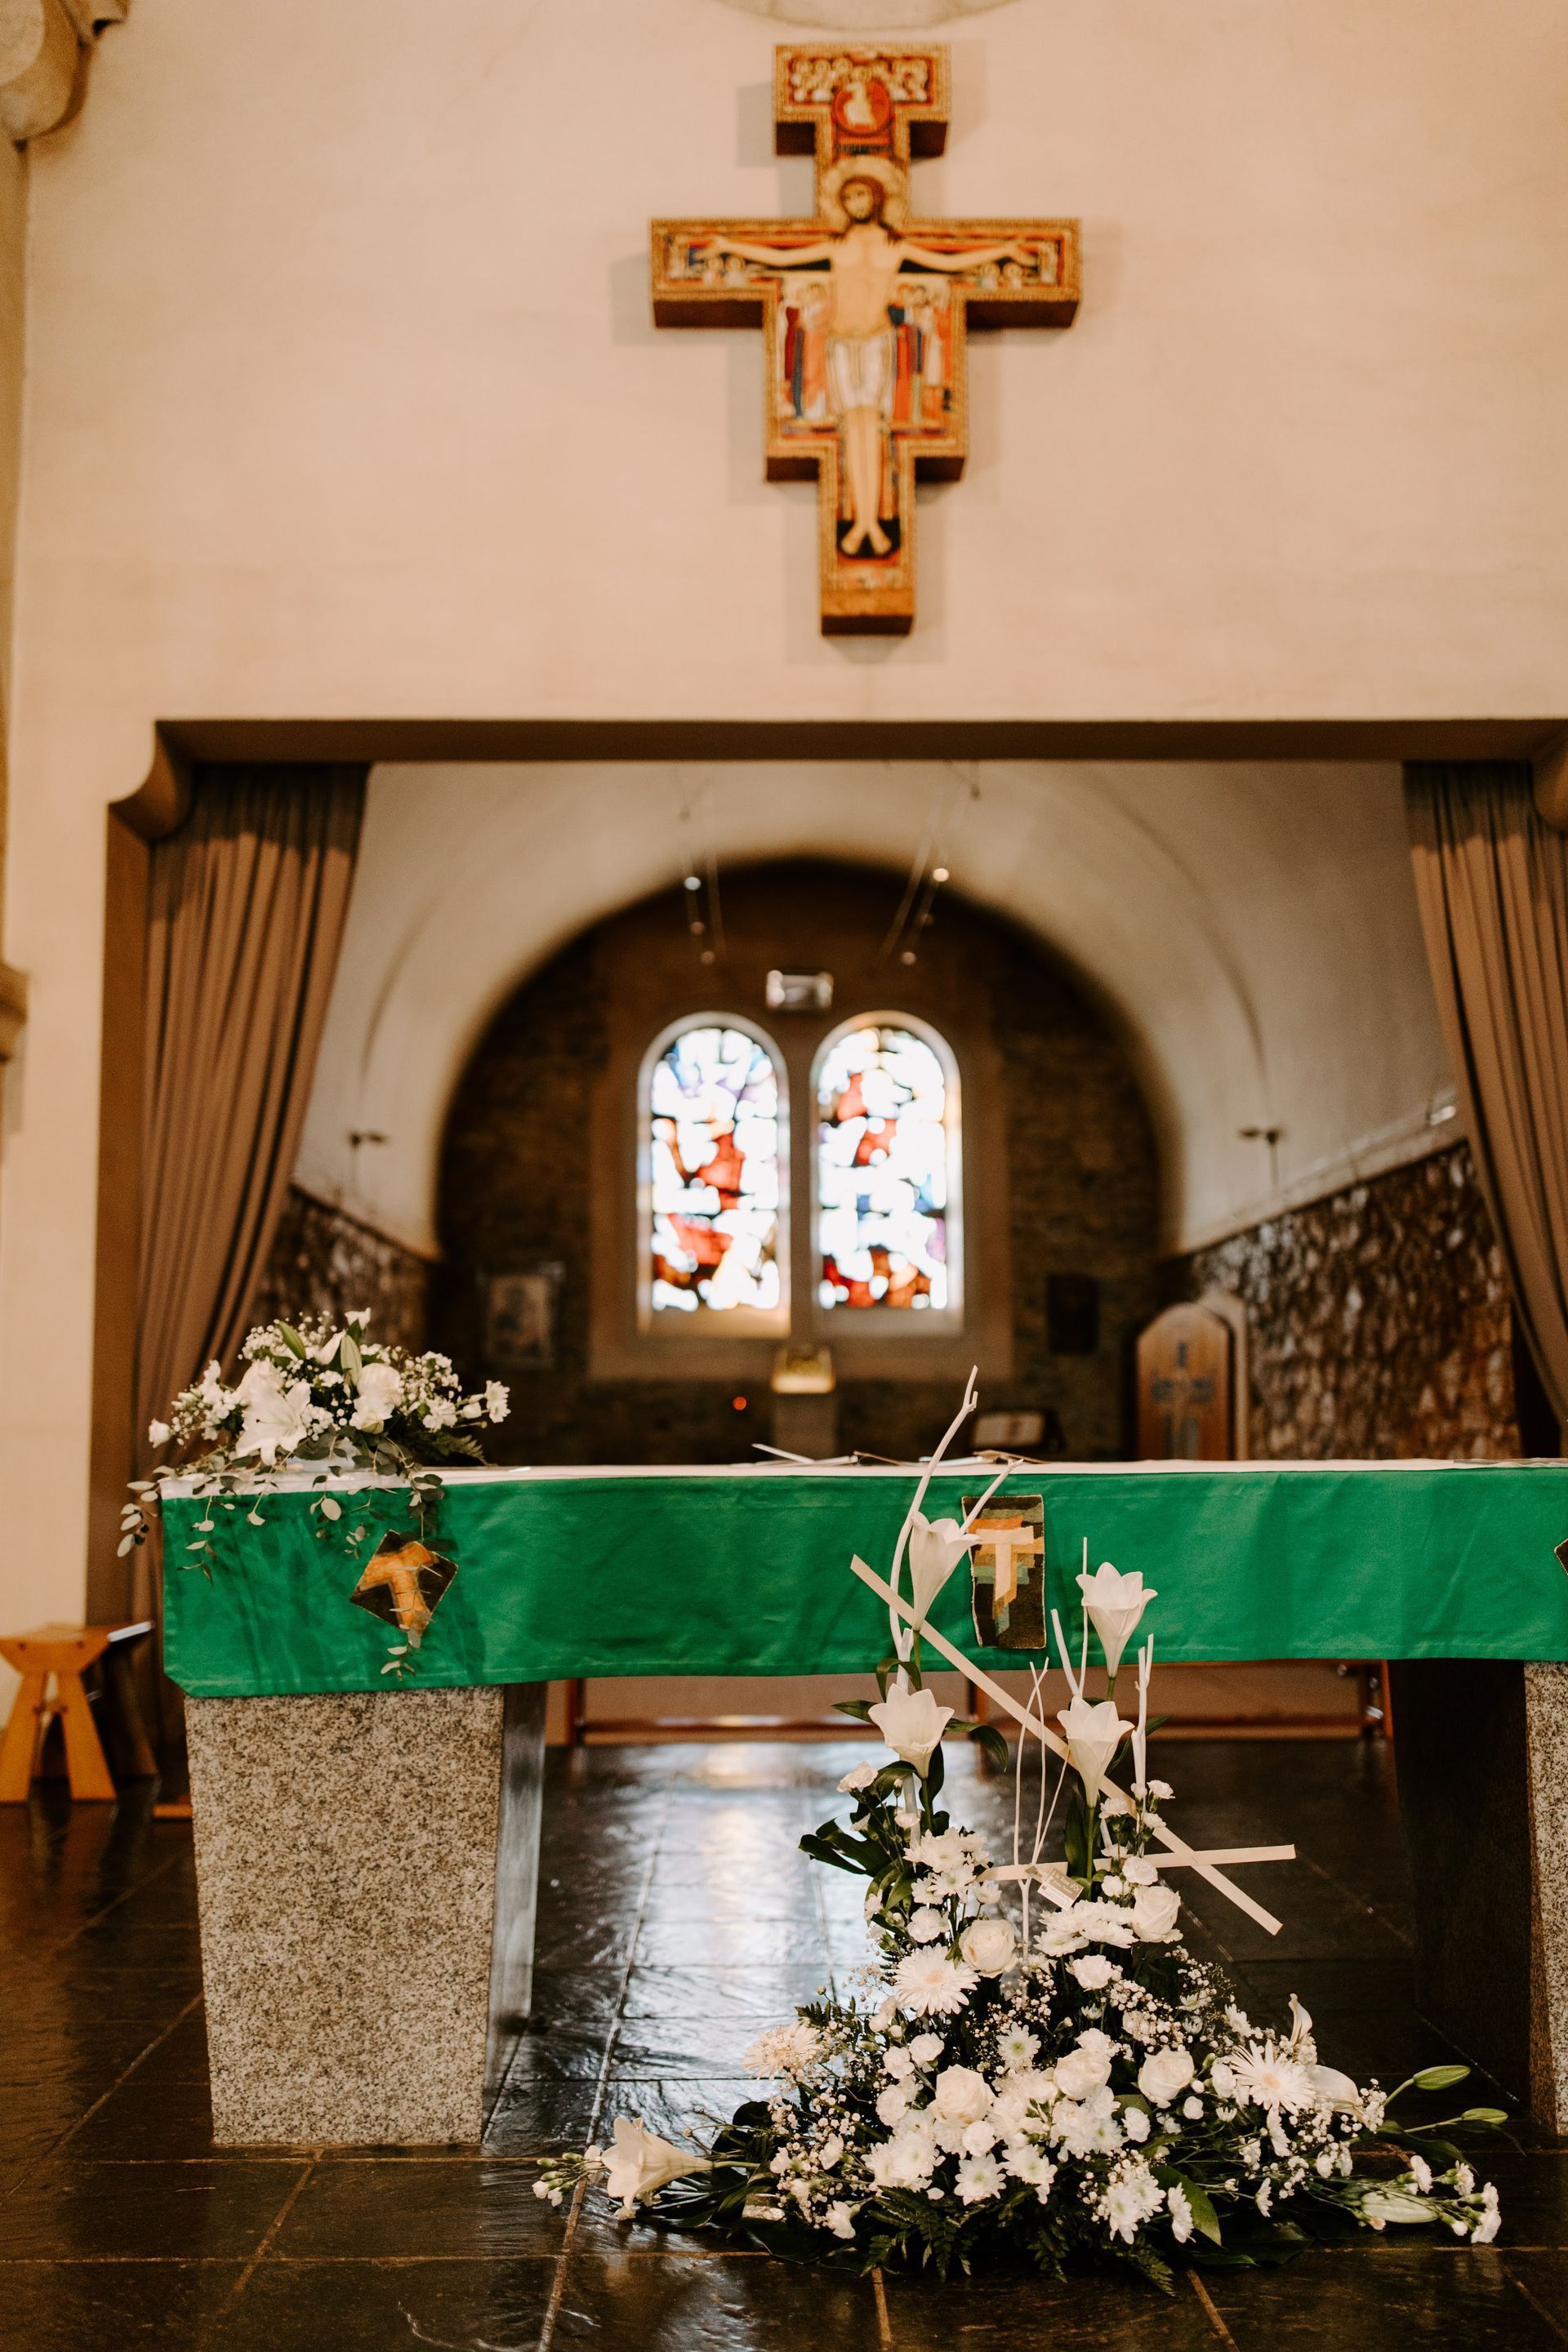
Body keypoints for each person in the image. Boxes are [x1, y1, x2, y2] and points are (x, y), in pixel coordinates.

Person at [711, 163, 1032, 558]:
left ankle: (872, 522)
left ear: (877, 199)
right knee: (852, 431)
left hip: (878, 343)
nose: (854, 202)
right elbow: (782, 259)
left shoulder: (895, 248)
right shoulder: (837, 246)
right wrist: (729, 247)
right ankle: (862, 520)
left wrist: (1003, 250)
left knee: (873, 432)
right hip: (841, 344)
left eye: (861, 195)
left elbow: (949, 263)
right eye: (847, 197)